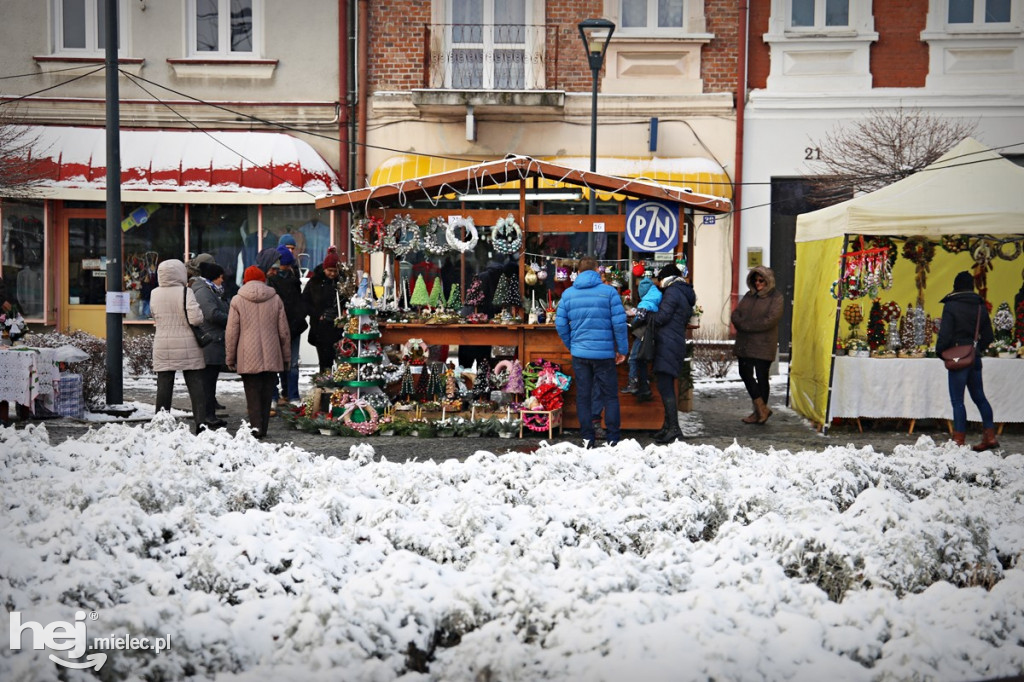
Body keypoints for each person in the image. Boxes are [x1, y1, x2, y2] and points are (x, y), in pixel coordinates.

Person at [555, 256, 629, 448]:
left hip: (580, 355)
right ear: (598, 270)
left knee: (583, 396)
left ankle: (588, 438)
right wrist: (621, 349)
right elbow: (619, 324)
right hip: (604, 355)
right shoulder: (609, 293)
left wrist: (572, 345)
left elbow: (561, 324)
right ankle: (613, 438)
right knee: (610, 396)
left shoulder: (568, 294)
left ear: (578, 272)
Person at [225, 265, 291, 439]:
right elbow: (283, 331)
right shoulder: (275, 298)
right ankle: (264, 428)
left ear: (245, 280)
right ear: (263, 279)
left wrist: (230, 357)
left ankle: (256, 428)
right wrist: (286, 357)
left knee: (252, 392)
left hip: (247, 355)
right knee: (268, 392)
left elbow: (232, 332)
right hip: (272, 353)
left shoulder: (237, 300)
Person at [936, 271, 997, 450]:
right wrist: (976, 349)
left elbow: (945, 334)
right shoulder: (980, 306)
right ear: (972, 286)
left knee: (958, 401)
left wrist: (941, 352)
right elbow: (989, 336)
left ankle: (959, 440)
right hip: (974, 356)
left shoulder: (951, 305)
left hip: (957, 357)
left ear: (956, 286)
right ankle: (990, 436)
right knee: (980, 397)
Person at [149, 259, 208, 434]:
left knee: (164, 385)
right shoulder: (186, 292)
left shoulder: (154, 293)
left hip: (163, 342)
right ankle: (200, 423)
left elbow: (154, 315)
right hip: (187, 343)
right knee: (196, 385)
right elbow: (196, 319)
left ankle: (161, 424)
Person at [731, 266, 785, 425]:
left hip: (763, 344)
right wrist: (741, 323)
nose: (758, 283)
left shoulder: (776, 297)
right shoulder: (749, 295)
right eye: (755, 280)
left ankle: (758, 412)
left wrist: (747, 325)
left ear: (768, 281)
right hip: (745, 344)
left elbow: (771, 320)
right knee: (744, 373)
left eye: (761, 280)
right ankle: (762, 409)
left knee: (762, 377)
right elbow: (736, 314)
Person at [649, 263, 695, 445]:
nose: (659, 283)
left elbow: (662, 317)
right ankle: (668, 426)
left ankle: (674, 429)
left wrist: (647, 315)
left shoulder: (672, 292)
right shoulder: (681, 291)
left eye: (659, 279)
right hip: (673, 342)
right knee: (664, 385)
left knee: (666, 386)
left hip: (668, 343)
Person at [190, 261, 230, 429]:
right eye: (221, 278)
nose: (222, 281)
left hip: (213, 341)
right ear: (215, 277)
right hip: (210, 342)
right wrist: (232, 319)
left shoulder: (208, 290)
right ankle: (207, 416)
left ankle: (209, 415)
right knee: (207, 382)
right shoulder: (204, 292)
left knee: (209, 381)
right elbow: (212, 314)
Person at [268, 244, 307, 405]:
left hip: (291, 326)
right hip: (286, 326)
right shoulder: (281, 280)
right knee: (285, 363)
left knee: (286, 363)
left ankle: (286, 395)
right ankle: (288, 395)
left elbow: (298, 303)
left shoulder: (288, 278)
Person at [302, 246, 345, 372]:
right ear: (324, 268)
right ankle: (324, 384)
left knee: (340, 359)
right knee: (324, 360)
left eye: (335, 271)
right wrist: (317, 314)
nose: (332, 274)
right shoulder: (314, 282)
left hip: (339, 328)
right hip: (320, 328)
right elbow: (305, 302)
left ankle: (338, 387)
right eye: (329, 270)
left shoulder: (343, 282)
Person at [622, 275, 662, 401]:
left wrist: (631, 323)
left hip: (643, 334)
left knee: (633, 358)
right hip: (650, 334)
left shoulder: (646, 302)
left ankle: (633, 384)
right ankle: (644, 386)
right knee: (643, 361)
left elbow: (639, 318)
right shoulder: (656, 298)